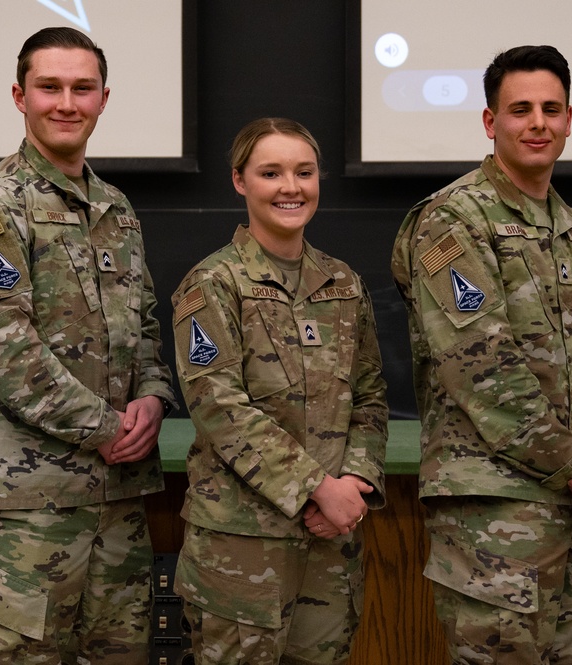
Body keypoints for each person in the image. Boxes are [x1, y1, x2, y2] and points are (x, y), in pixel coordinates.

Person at [0, 26, 178, 664]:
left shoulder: (116, 209)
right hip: (25, 514)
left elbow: (146, 325)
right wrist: (104, 427)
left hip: (117, 511)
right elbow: (4, 350)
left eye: (82, 87)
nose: (66, 102)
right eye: (49, 87)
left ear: (103, 98)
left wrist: (153, 399)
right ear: (19, 96)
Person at [392, 45, 572, 664]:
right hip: (497, 514)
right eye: (520, 109)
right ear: (489, 121)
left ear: (570, 119)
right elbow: (480, 368)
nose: (538, 123)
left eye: (551, 109)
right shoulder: (453, 219)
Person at [170, 117, 389, 664]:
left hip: (329, 543)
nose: (291, 187)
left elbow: (370, 395)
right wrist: (318, 486)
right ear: (240, 181)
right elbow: (220, 409)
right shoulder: (212, 285)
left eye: (304, 172)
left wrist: (356, 484)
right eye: (271, 172)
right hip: (241, 553)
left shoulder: (342, 283)